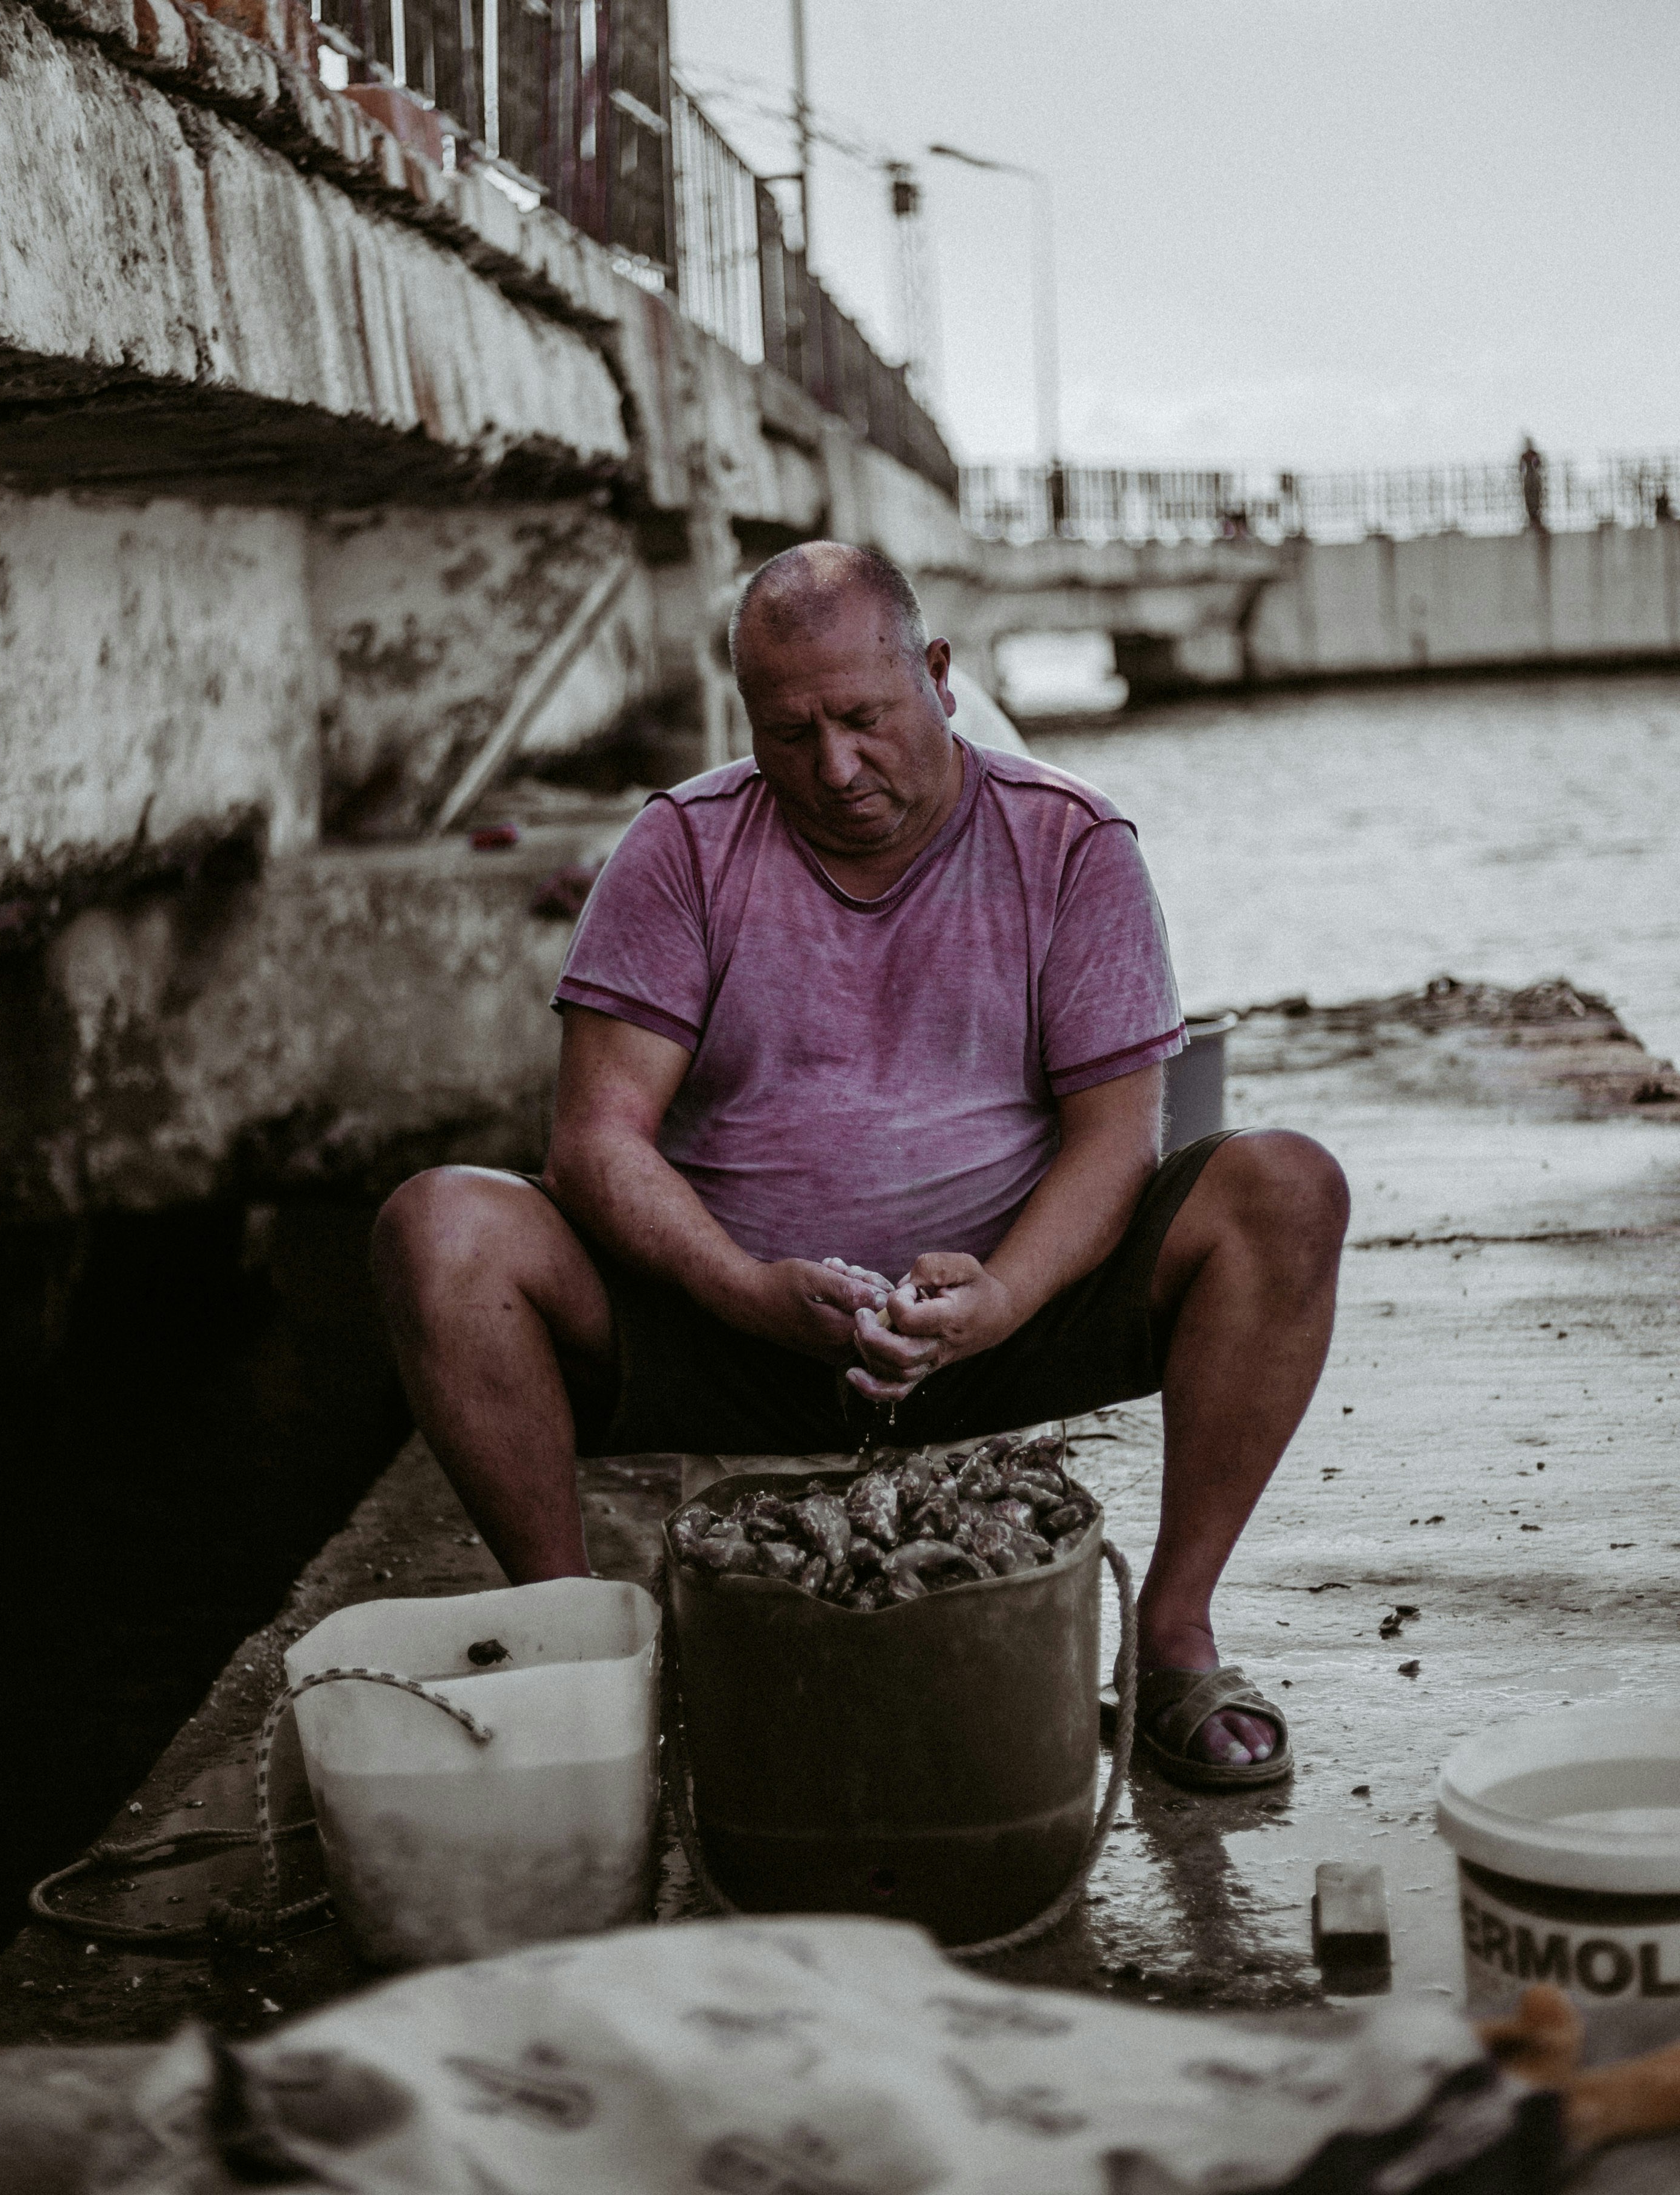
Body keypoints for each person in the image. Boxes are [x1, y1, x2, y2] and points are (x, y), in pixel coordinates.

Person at [373, 543, 1349, 1789]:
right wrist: (742, 1286)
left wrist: (1000, 1296)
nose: (834, 768)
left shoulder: (1072, 843)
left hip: (1002, 1322)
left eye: (863, 718)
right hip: (732, 1332)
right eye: (791, 734)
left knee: (1285, 1185)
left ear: (939, 677)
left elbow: (1118, 1139)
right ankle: (585, 1654)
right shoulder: (678, 850)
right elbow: (595, 1137)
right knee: (440, 1227)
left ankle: (1170, 1640)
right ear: (748, 722)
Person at [1519, 436, 1546, 531]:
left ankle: (1536, 516)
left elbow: (1539, 465)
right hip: (1529, 478)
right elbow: (1521, 468)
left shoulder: (1534, 454)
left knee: (1535, 497)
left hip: (1533, 478)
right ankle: (1532, 517)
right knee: (1530, 498)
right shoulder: (1525, 455)